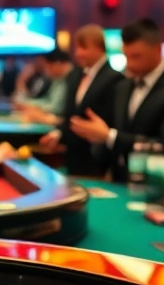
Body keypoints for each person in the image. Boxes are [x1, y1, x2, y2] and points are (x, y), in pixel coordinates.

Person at [70, 19, 164, 183]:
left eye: (136, 56)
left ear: (158, 50)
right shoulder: (122, 86)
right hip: (121, 183)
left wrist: (110, 136)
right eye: (126, 56)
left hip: (159, 186)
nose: (129, 64)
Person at [41, 25, 122, 177]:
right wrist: (58, 133)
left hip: (98, 163)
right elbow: (70, 115)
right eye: (77, 48)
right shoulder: (75, 75)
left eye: (83, 48)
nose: (78, 53)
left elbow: (113, 123)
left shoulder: (116, 79)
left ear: (99, 47)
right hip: (73, 159)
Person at [15, 50, 72, 124]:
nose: (47, 71)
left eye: (47, 67)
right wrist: (27, 104)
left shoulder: (73, 78)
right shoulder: (56, 79)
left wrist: (29, 105)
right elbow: (47, 100)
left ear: (57, 64)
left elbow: (56, 107)